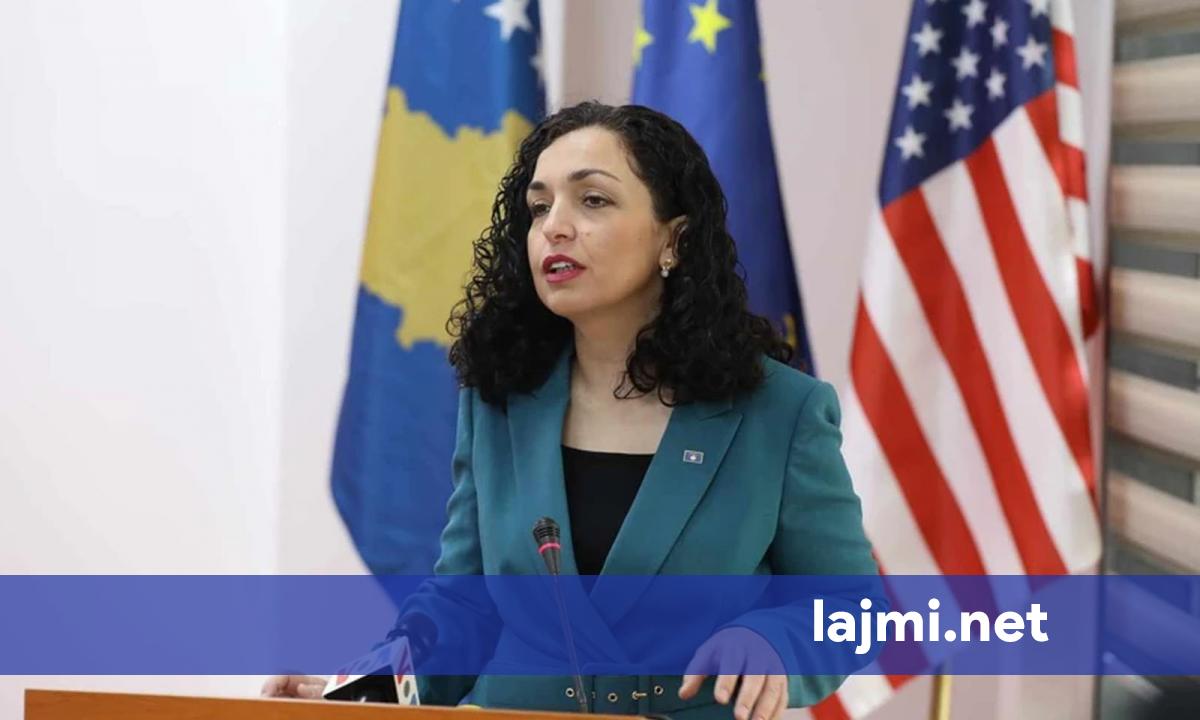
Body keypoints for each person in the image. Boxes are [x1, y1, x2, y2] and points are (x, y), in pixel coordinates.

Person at [265, 101, 879, 719]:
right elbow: (463, 604)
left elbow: (854, 608)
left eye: (593, 200)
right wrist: (365, 693)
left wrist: (776, 643)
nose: (554, 227)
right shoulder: (500, 398)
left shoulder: (780, 411)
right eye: (539, 207)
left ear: (674, 238)